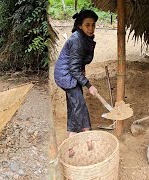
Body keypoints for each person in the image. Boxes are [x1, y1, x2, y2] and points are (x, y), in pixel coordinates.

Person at [54, 9, 98, 152]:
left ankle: (79, 137)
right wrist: (88, 85)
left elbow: (80, 63)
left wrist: (82, 77)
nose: (91, 28)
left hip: (71, 74)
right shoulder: (77, 40)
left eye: (93, 25)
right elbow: (73, 69)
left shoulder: (83, 38)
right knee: (78, 106)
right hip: (66, 76)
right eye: (87, 25)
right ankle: (78, 141)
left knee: (77, 105)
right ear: (80, 25)